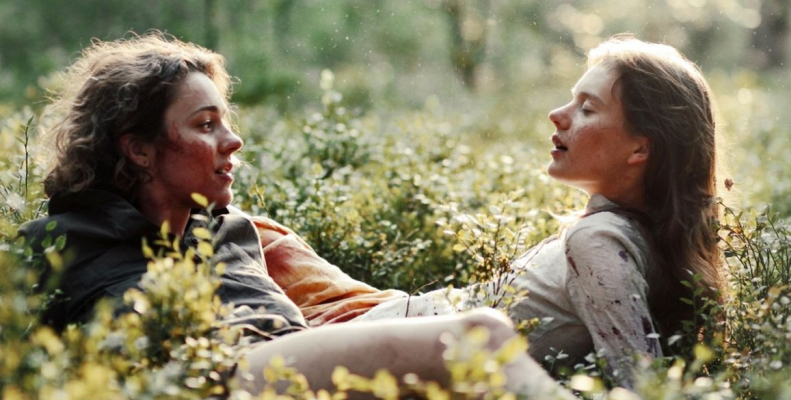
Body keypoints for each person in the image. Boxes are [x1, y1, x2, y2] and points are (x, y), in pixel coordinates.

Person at [18, 33, 576, 399]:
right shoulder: (56, 242)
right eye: (205, 124)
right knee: (478, 336)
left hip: (296, 374)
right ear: (138, 148)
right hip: (216, 378)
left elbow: (329, 310)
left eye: (226, 121)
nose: (232, 140)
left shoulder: (235, 231)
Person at [353, 34, 723, 387]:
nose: (556, 114)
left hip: (363, 358)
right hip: (378, 328)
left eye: (587, 109)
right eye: (570, 101)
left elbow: (643, 386)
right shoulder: (645, 236)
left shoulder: (597, 240)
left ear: (640, 150)